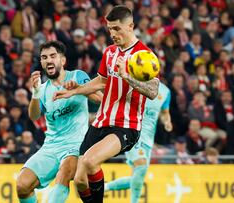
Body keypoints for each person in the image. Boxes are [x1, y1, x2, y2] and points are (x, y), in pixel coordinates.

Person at [53, 5, 159, 202]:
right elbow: (101, 81)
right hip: (101, 121)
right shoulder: (110, 52)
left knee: (91, 161)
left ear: (131, 26)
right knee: (79, 180)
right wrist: (75, 90)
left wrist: (127, 76)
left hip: (125, 125)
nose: (112, 34)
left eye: (117, 29)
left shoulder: (144, 55)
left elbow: (152, 91)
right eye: (110, 29)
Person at [15, 41, 102, 203]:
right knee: (22, 185)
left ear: (62, 60)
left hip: (77, 144)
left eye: (53, 56)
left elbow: (99, 100)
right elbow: (34, 116)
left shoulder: (77, 76)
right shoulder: (43, 89)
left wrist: (78, 89)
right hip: (51, 146)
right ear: (41, 63)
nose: (49, 60)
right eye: (44, 57)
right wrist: (35, 93)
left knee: (63, 175)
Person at [104, 82, 172, 203]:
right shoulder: (136, 82)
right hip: (132, 130)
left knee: (137, 177)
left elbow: (165, 112)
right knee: (140, 167)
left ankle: (104, 188)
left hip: (148, 139)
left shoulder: (165, 91)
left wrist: (167, 122)